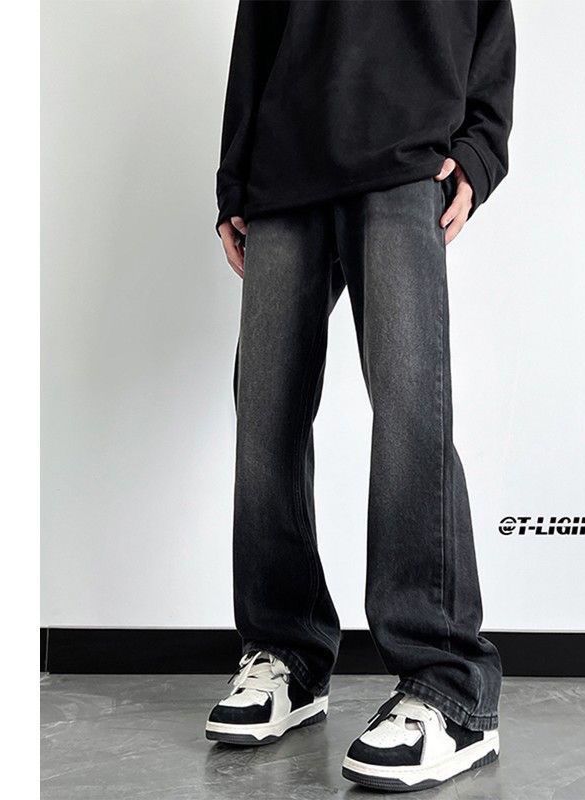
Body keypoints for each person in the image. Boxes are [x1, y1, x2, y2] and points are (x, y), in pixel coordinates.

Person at [205, 1, 515, 791]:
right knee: (265, 415)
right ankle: (287, 653)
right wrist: (235, 177)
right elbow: (257, 31)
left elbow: (489, 22)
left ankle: (448, 687)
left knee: (410, 415)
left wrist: (479, 151)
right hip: (284, 171)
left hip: (407, 160)